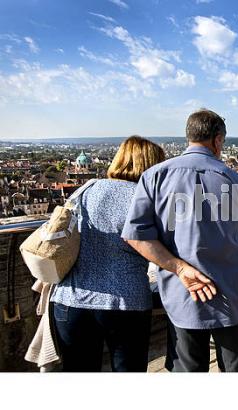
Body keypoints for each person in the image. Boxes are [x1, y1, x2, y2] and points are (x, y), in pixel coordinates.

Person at [122, 109, 238, 372]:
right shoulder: (236, 181)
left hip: (182, 294)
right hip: (230, 296)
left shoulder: (155, 177)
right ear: (217, 140)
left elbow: (136, 236)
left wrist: (180, 268)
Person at [50, 136, 166, 372]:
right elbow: (159, 247)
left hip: (71, 299)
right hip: (125, 302)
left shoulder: (86, 189)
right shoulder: (144, 198)